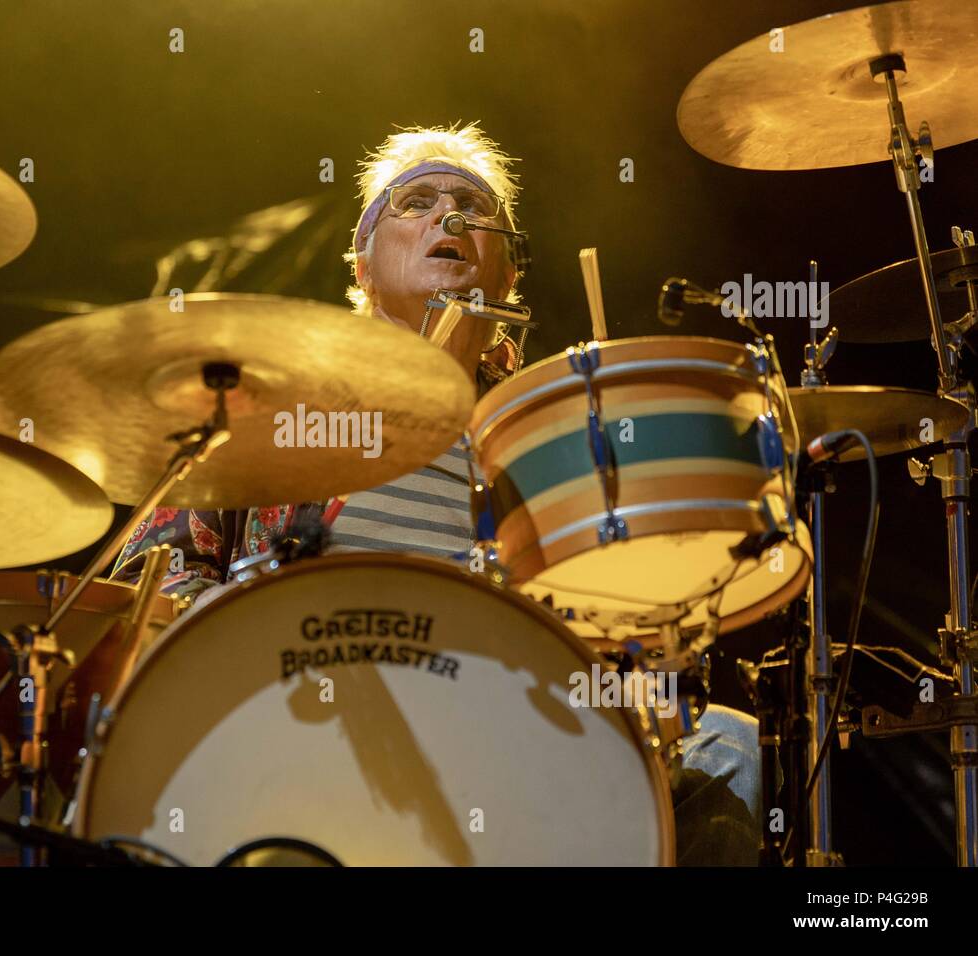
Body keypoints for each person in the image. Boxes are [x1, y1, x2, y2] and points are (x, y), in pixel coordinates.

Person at [112, 122, 760, 865]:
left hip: (505, 734)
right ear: (362, 264)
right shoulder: (281, 399)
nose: (448, 218)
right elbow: (147, 581)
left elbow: (624, 631)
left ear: (509, 273)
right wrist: (246, 634)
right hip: (310, 704)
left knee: (731, 749)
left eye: (473, 208)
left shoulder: (541, 433)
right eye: (415, 201)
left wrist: (649, 665)